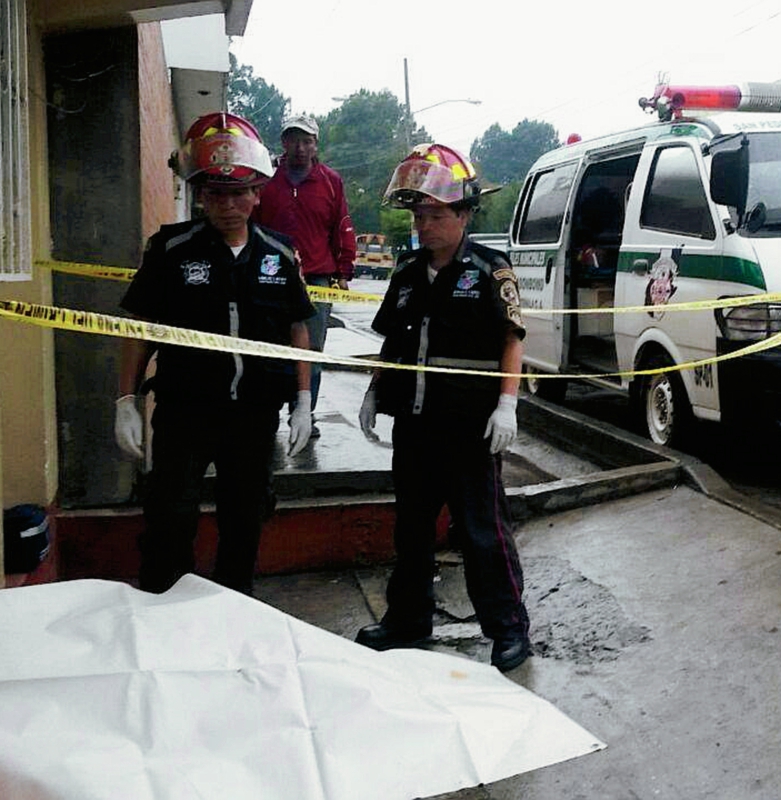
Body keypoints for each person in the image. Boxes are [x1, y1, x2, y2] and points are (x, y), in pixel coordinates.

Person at [114, 112, 316, 595]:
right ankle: (164, 609)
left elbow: (297, 329)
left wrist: (303, 400)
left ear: (256, 194)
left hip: (254, 413)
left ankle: (233, 612)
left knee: (245, 518)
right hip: (185, 411)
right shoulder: (170, 249)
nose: (228, 204)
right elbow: (139, 327)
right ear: (200, 196)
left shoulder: (280, 254)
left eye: (239, 192)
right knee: (170, 515)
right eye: (216, 193)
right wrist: (125, 400)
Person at [356, 143, 531, 672]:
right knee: (410, 527)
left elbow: (512, 339)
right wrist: (374, 387)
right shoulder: (408, 272)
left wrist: (507, 405)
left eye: (435, 215)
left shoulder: (489, 269)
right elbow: (392, 340)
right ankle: (408, 620)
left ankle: (507, 629)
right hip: (413, 423)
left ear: (464, 214)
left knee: (482, 531)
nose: (423, 225)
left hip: (468, 427)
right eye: (417, 215)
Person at [253, 114, 357, 437]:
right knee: (266, 345)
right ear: (284, 142)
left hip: (316, 278)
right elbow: (251, 222)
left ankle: (303, 413)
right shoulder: (266, 176)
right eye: (294, 140)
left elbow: (342, 226)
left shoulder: (331, 181)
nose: (300, 147)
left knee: (310, 350)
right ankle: (263, 412)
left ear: (315, 145)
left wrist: (344, 271)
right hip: (269, 273)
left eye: (307, 141)